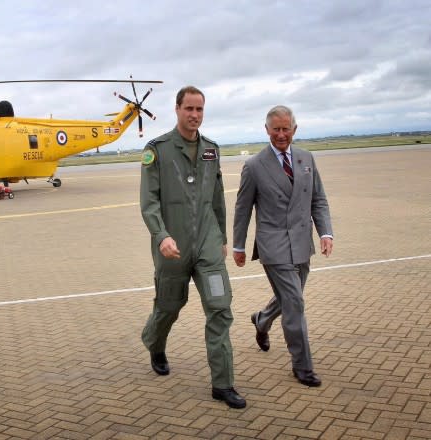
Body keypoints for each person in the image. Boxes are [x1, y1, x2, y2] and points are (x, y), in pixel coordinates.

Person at [139, 86, 245, 409]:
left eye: (200, 109)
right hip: (172, 246)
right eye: (189, 109)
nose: (195, 115)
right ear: (177, 109)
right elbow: (149, 202)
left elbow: (217, 199)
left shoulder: (212, 150)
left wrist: (223, 239)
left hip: (208, 245)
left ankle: (223, 384)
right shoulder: (157, 150)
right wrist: (161, 236)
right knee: (170, 305)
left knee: (220, 307)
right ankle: (154, 343)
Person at [232, 105, 333, 387]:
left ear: (294, 129)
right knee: (295, 303)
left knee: (291, 298)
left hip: (302, 243)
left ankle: (262, 319)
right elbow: (243, 209)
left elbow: (318, 200)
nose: (281, 134)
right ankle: (302, 367)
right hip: (273, 245)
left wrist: (326, 233)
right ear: (267, 130)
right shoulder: (254, 165)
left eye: (286, 128)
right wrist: (239, 246)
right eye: (275, 129)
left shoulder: (306, 158)